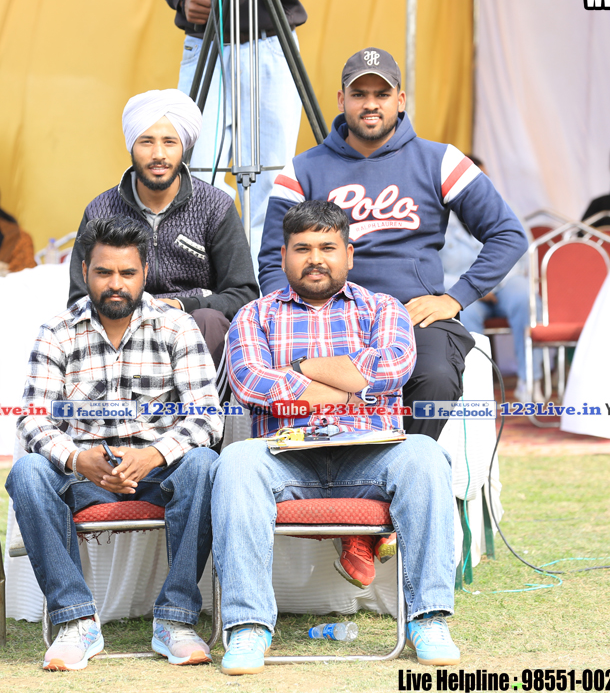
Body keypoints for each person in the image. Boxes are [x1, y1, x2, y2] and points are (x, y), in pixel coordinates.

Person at [213, 201, 460, 675]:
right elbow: (252, 384)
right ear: (283, 256)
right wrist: (351, 390)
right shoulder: (253, 316)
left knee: (426, 454)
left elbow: (388, 371)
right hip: (286, 457)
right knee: (236, 461)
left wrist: (297, 368)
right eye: (302, 248)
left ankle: (428, 618)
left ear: (348, 254)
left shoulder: (383, 309)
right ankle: (247, 626)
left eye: (327, 247)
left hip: (370, 456)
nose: (315, 259)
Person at [259, 48, 528, 440]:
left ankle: (405, 465)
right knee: (293, 380)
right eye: (359, 94)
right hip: (327, 315)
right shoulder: (302, 169)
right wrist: (291, 318)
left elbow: (508, 234)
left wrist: (455, 298)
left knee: (436, 376)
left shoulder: (441, 160)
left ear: (400, 100)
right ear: (342, 100)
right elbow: (273, 258)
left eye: (382, 94)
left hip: (413, 314)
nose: (371, 104)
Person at [8, 217, 223, 672]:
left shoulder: (176, 326)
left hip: (158, 472)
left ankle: (176, 620)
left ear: (145, 273)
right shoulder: (57, 331)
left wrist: (153, 455)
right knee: (27, 473)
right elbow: (32, 417)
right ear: (85, 271)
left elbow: (207, 416)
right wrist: (77, 458)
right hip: (84, 475)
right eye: (104, 272)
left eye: (127, 273)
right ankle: (76, 621)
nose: (116, 284)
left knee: (204, 464)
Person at [68, 89, 259, 366]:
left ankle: (204, 396)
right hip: (122, 328)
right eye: (147, 142)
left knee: (208, 319)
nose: (158, 154)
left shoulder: (215, 206)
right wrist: (135, 312)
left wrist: (182, 306)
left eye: (169, 142)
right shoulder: (100, 211)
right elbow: (79, 298)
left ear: (184, 147)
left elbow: (243, 294)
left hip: (196, 330)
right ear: (132, 146)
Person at [151, 0, 315, 266]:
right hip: (206, 38)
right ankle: (216, 278)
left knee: (271, 183)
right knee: (196, 177)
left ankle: (265, 283)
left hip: (270, 38)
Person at [439, 156, 542, 403]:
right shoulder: (437, 213)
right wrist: (469, 287)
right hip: (460, 288)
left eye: (482, 177)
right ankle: (476, 388)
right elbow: (432, 268)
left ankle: (530, 382)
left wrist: (491, 282)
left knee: (526, 299)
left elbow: (524, 251)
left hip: (506, 282)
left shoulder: (504, 206)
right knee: (462, 313)